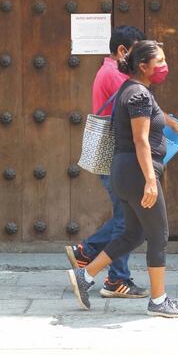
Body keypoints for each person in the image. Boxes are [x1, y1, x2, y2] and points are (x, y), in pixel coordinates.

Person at [68, 40, 178, 318]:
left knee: (132, 233)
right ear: (143, 66)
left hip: (125, 172)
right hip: (137, 173)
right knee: (158, 234)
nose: (164, 66)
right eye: (159, 61)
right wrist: (150, 179)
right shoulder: (138, 95)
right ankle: (159, 300)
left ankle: (85, 276)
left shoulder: (131, 89)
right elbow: (141, 141)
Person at [65, 25, 148, 299]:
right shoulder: (115, 75)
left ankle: (88, 253)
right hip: (117, 154)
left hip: (115, 154)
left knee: (127, 217)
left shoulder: (110, 71)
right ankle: (115, 279)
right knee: (127, 220)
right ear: (123, 51)